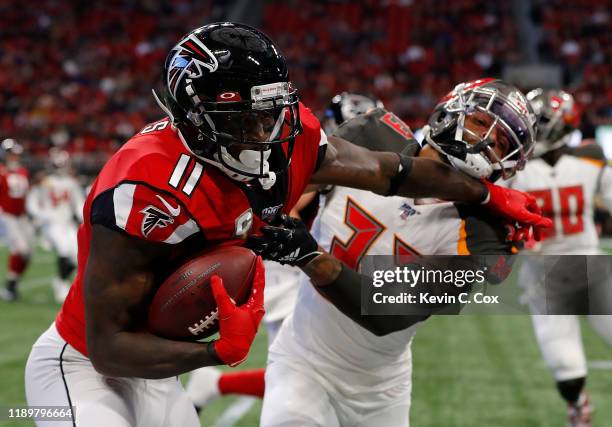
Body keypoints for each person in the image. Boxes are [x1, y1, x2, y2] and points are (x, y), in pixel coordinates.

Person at [24, 23, 548, 427]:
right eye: (249, 118)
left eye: (274, 110)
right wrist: (215, 353)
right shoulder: (144, 189)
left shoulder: (292, 142)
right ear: (200, 120)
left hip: (363, 378)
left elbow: (392, 179)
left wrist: (487, 192)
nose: (271, 130)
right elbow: (108, 344)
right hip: (86, 365)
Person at [249, 79, 537, 426]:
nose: (487, 140)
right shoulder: (376, 133)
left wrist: (309, 255)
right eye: (480, 122)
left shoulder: (486, 235)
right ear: (451, 110)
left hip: (380, 390)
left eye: (502, 142)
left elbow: (388, 313)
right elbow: (292, 184)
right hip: (303, 357)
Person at [185, 93, 380, 411]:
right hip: (285, 266)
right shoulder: (309, 162)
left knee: (310, 371)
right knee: (304, 372)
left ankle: (214, 385)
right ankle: (215, 385)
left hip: (296, 265)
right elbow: (287, 208)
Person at [505, 88, 612, 427]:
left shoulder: (591, 158)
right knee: (565, 367)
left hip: (591, 265)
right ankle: (578, 406)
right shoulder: (514, 168)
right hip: (543, 272)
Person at [26, 149, 85, 303]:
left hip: (67, 223)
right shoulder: (44, 181)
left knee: (77, 255)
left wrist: (83, 217)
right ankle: (61, 283)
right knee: (64, 250)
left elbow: (78, 204)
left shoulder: (71, 183)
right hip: (51, 224)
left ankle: (60, 279)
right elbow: (32, 202)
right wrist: (41, 215)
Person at [0, 138, 34, 302]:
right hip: (7, 216)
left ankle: (12, 284)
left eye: (16, 154)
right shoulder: (1, 171)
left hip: (22, 216)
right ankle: (10, 287)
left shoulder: (22, 171)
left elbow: (25, 195)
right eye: (12, 154)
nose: (15, 157)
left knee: (28, 254)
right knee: (19, 250)